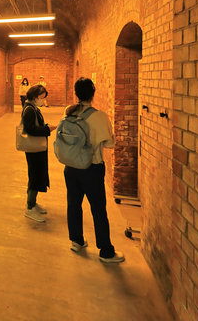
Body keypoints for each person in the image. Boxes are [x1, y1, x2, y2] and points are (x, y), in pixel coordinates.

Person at [63, 77, 124, 263]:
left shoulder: (69, 113)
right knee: (98, 209)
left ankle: (77, 241)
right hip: (91, 168)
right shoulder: (99, 117)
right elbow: (110, 144)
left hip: (71, 167)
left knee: (74, 204)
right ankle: (106, 251)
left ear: (76, 93)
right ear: (93, 94)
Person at [21, 84, 56, 222]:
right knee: (34, 176)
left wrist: (45, 126)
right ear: (35, 97)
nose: (43, 100)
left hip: (37, 149)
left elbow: (36, 126)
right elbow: (30, 129)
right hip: (33, 149)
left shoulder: (33, 107)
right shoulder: (29, 109)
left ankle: (33, 203)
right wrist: (47, 130)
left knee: (37, 174)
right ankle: (29, 208)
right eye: (41, 98)